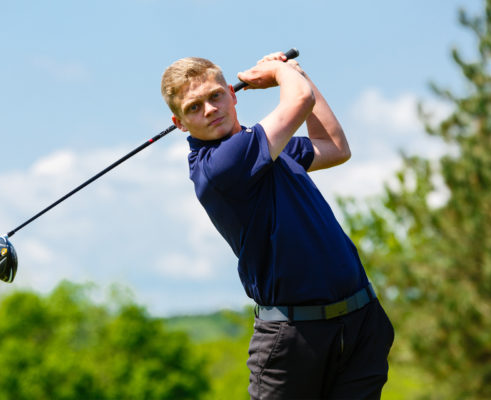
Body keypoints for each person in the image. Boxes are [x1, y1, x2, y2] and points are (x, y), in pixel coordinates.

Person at [160, 51, 394, 399]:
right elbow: (299, 99)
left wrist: (299, 75)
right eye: (194, 107)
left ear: (232, 94)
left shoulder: (267, 147)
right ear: (180, 123)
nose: (210, 109)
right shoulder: (221, 165)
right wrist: (282, 74)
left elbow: (334, 147)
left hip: (359, 322)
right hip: (293, 336)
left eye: (215, 96)